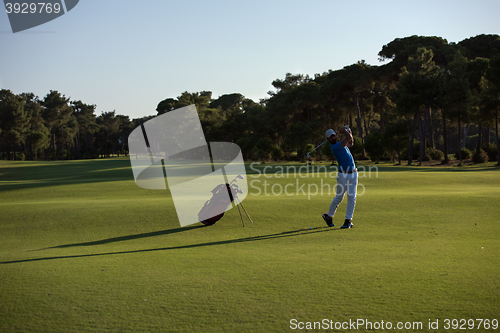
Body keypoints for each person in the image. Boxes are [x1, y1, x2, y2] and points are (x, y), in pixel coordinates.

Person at [322, 126, 357, 229]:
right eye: (331, 137)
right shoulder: (335, 147)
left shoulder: (342, 145)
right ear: (328, 139)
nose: (333, 138)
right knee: (339, 197)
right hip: (343, 175)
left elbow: (351, 142)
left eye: (334, 135)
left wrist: (349, 131)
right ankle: (329, 216)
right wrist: (345, 131)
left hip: (353, 173)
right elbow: (347, 138)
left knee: (351, 198)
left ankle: (348, 221)